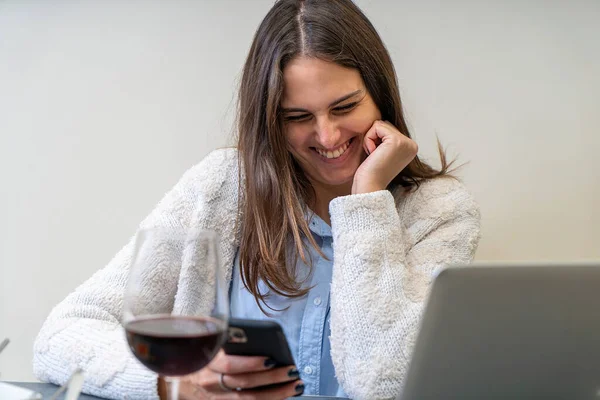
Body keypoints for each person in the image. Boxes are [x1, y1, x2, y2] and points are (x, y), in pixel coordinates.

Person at [33, 0, 481, 399]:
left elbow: (382, 383)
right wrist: (174, 384)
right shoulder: (222, 187)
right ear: (269, 119)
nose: (327, 136)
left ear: (380, 95)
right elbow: (61, 337)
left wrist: (366, 201)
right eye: (298, 117)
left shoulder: (440, 212)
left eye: (344, 107)